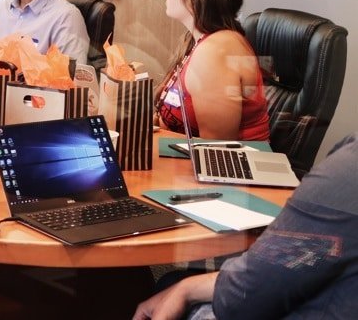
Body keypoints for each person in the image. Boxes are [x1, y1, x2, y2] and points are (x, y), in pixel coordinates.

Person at [132, 131, 358, 320]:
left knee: (169, 286)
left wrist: (186, 289)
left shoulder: (350, 169)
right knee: (173, 282)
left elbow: (247, 296)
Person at [155, 0, 270, 141]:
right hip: (192, 157)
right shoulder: (198, 41)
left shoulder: (216, 50)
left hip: (231, 165)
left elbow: (216, 149)